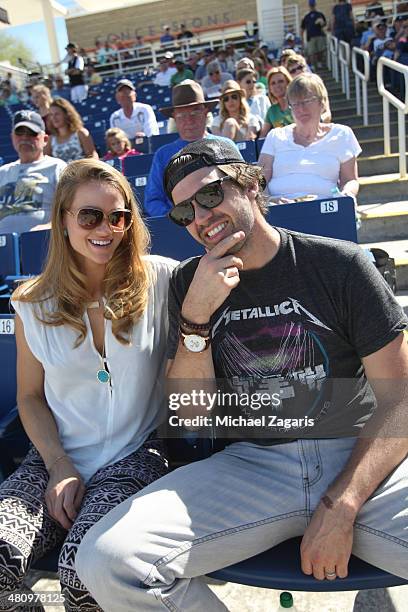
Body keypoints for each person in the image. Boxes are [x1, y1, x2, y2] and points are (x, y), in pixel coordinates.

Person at [76, 137, 408, 611]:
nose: (201, 218)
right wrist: (196, 318)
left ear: (251, 184)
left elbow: (401, 400)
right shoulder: (191, 283)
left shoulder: (339, 265)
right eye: (184, 212)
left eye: (211, 195)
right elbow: (190, 414)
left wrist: (342, 505)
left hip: (354, 457)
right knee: (107, 559)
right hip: (255, 465)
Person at [0, 159, 176, 611]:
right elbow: (29, 397)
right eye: (90, 216)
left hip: (136, 455)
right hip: (55, 457)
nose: (107, 228)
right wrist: (59, 464)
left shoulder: (161, 278)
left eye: (119, 217)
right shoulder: (32, 303)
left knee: (82, 574)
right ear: (63, 219)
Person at [258, 73, 359, 203]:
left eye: (307, 101)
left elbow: (350, 180)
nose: (301, 109)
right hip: (280, 210)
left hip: (325, 210)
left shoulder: (341, 134)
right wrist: (270, 201)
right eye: (295, 103)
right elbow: (260, 181)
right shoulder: (275, 136)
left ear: (322, 103)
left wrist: (347, 193)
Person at [143, 80, 234, 217]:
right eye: (182, 115)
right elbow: (153, 201)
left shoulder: (225, 146)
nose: (189, 121)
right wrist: (178, 218)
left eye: (194, 113)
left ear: (205, 112)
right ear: (174, 118)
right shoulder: (163, 155)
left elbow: (240, 189)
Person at [0, 110, 66, 233]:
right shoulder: (2, 172)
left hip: (43, 242)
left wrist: (50, 226)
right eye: (19, 133)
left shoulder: (57, 167)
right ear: (12, 137)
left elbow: (70, 210)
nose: (25, 138)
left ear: (45, 139)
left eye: (32, 133)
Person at [45, 97, 98, 163]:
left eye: (57, 114)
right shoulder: (50, 139)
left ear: (67, 114)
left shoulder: (81, 133)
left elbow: (92, 156)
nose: (54, 118)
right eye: (51, 115)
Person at [260, 67, 293, 137]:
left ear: (288, 83)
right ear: (270, 89)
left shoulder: (299, 105)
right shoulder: (271, 111)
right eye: (273, 83)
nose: (277, 86)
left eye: (281, 81)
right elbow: (262, 137)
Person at [301, 0, 327, 69]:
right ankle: (312, 65)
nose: (312, 6)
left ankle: (319, 63)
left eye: (313, 5)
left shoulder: (319, 14)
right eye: (311, 5)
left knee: (320, 50)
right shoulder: (306, 16)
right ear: (309, 5)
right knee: (311, 52)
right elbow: (302, 28)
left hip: (319, 35)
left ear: (315, 5)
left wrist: (321, 22)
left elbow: (324, 24)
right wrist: (302, 39)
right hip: (310, 37)